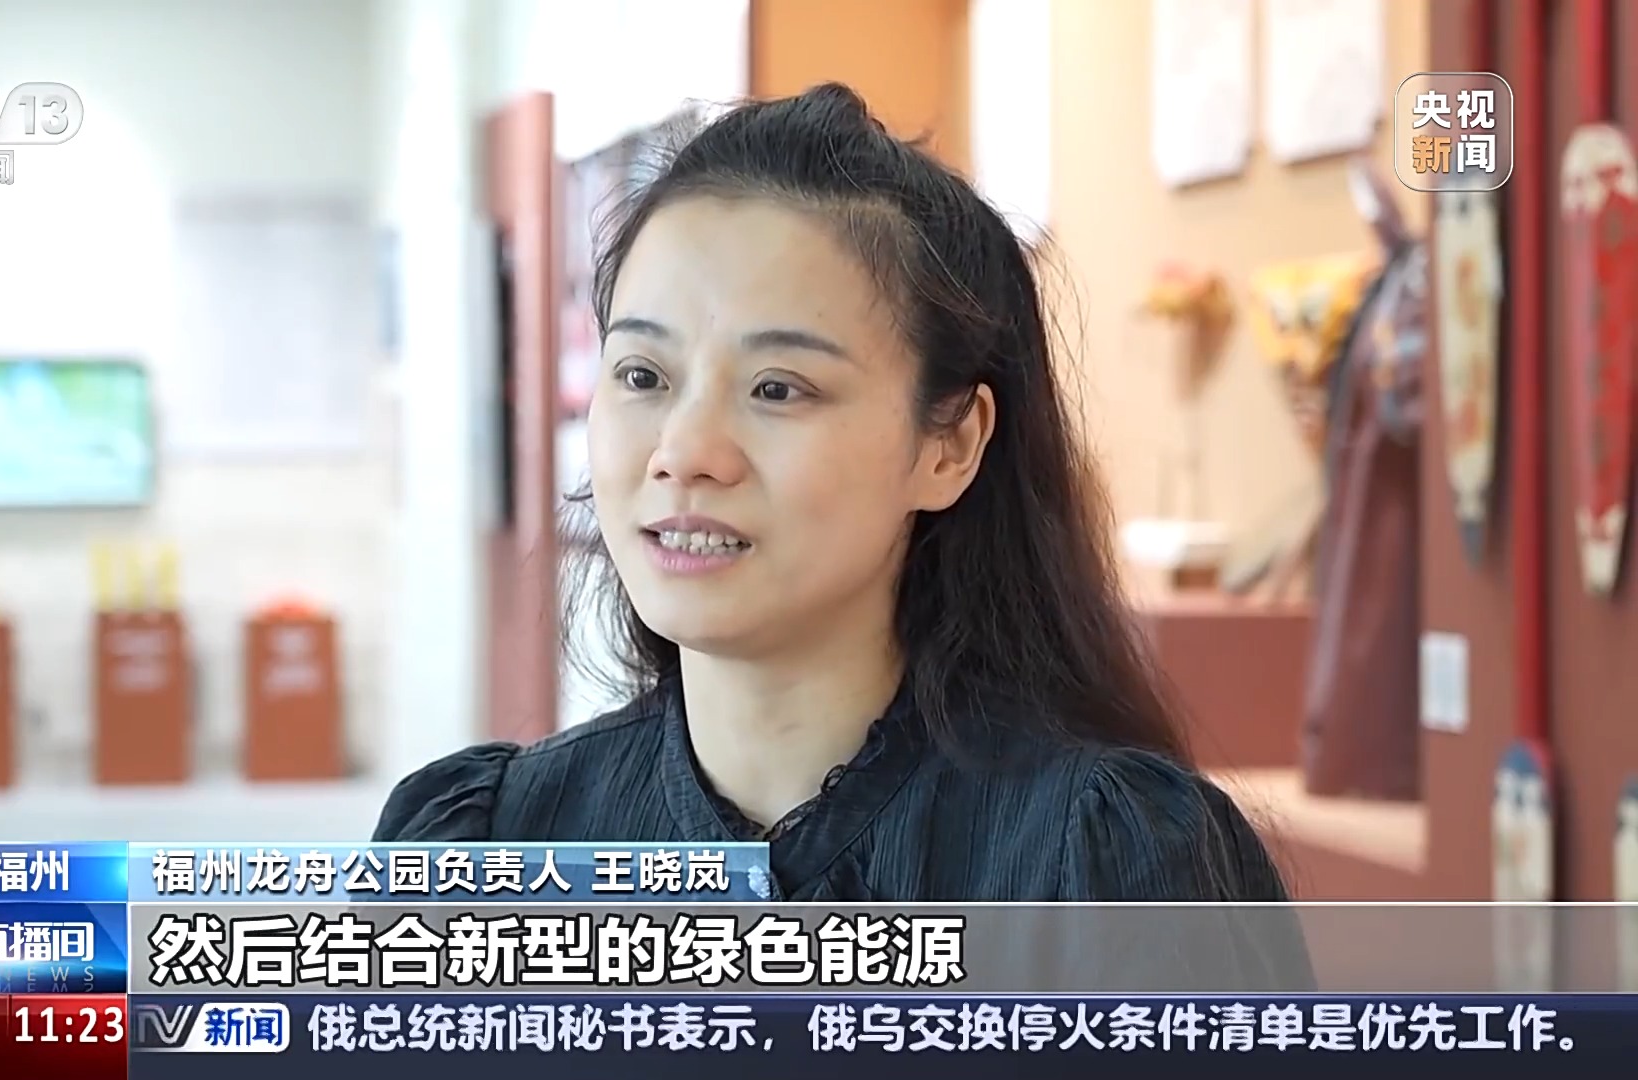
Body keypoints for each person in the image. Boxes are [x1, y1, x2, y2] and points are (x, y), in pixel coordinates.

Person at [375, 85, 1298, 921]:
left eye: (777, 388)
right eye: (644, 375)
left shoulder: (1105, 864)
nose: (684, 453)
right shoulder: (491, 847)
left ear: (950, 445)